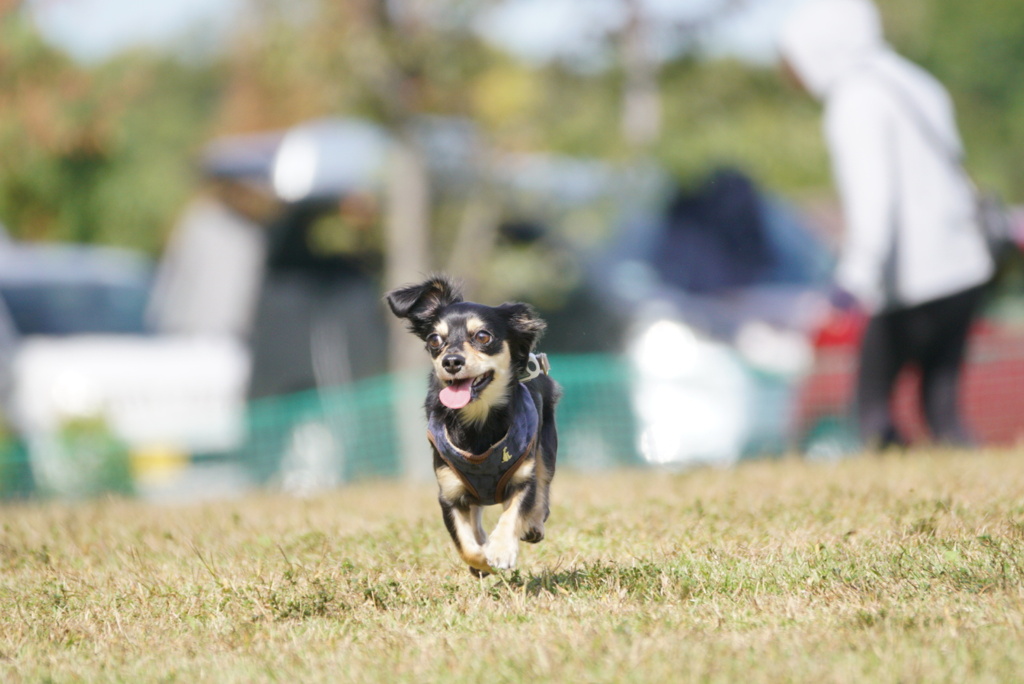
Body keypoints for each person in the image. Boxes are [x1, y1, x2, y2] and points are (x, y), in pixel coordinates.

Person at [779, 0, 994, 448]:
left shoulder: (855, 100)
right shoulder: (912, 80)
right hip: (966, 264)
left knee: (872, 411)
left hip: (914, 280)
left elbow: (874, 205)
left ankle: (893, 505)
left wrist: (852, 285)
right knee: (941, 406)